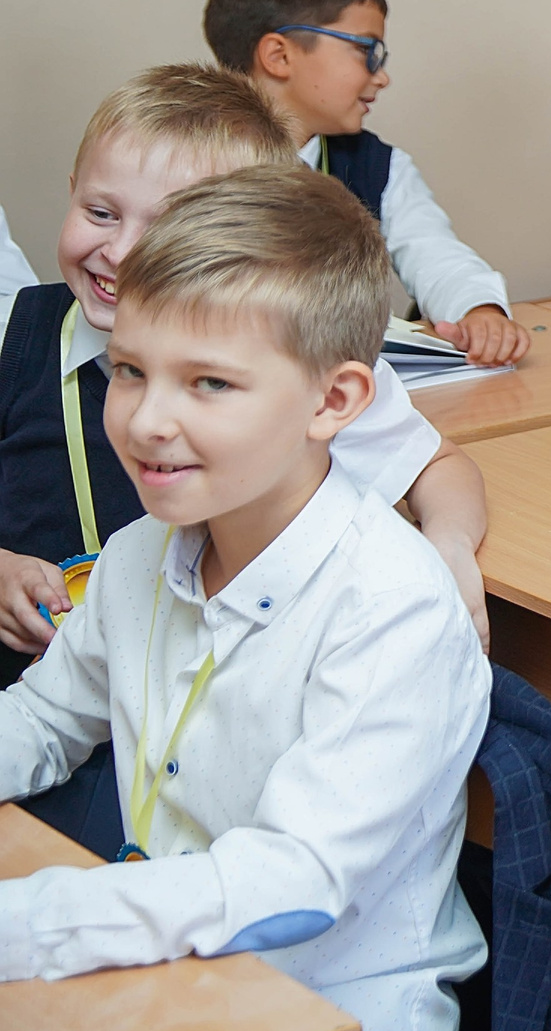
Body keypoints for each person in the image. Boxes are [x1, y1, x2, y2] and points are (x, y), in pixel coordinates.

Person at [0, 164, 490, 1031]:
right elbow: (45, 719)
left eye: (209, 383)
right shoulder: (146, 547)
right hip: (175, 968)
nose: (148, 420)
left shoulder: (390, 607)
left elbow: (290, 878)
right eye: (131, 371)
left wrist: (31, 923)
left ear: (333, 402)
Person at [0, 64, 490, 676]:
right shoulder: (12, 339)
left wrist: (448, 548)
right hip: (49, 688)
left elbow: (439, 467)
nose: (121, 252)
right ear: (73, 189)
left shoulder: (298, 365)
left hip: (233, 686)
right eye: (101, 213)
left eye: (169, 230)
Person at [203, 0, 531, 369]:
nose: (382, 75)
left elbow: (434, 252)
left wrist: (478, 310)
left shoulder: (376, 167)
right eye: (367, 51)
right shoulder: (181, 160)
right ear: (279, 56)